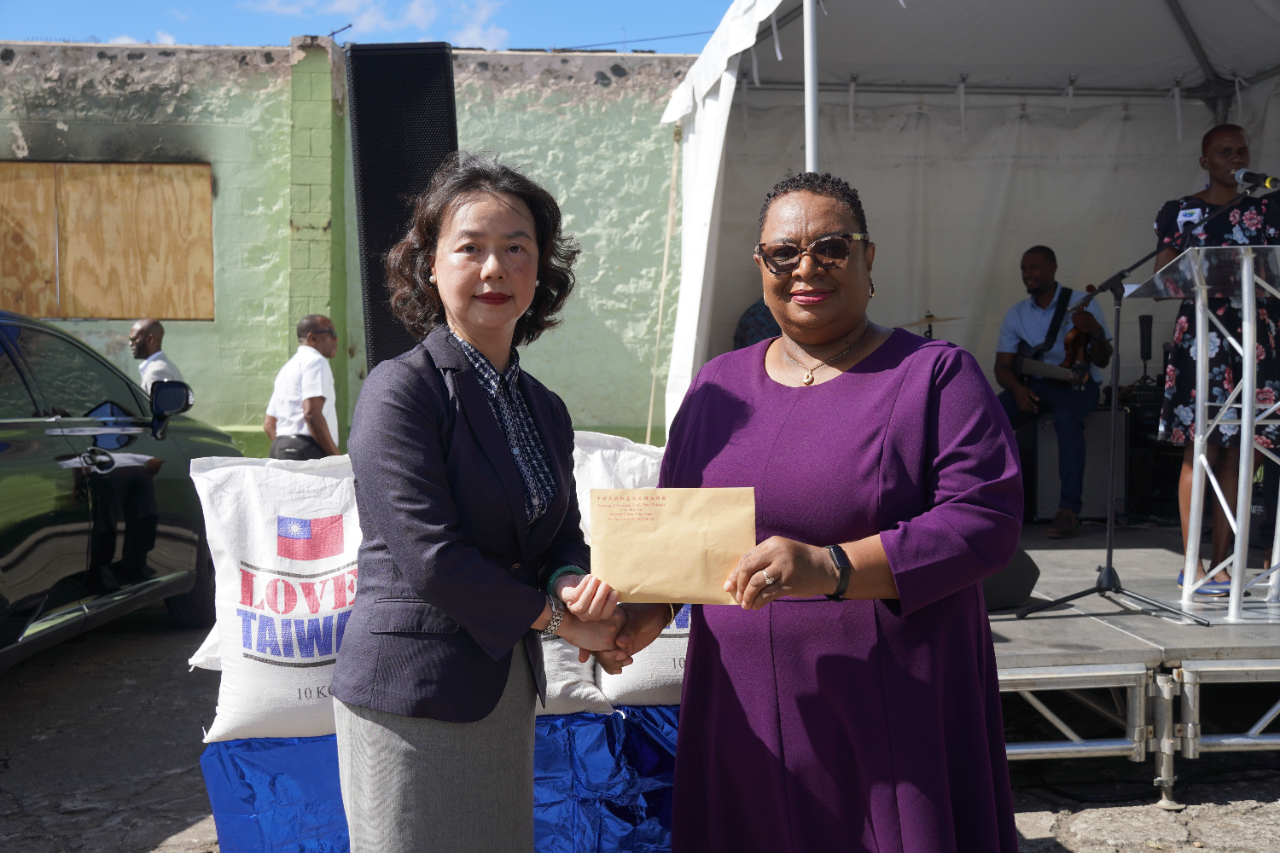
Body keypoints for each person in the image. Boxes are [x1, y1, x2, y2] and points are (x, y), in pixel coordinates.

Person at [604, 172, 1023, 852]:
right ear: (760, 265)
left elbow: (984, 520)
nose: (806, 268)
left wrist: (831, 566)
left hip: (886, 711)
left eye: (831, 247)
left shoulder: (934, 375)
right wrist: (641, 614)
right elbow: (678, 533)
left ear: (868, 257)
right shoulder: (716, 386)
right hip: (742, 714)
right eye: (784, 253)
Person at [329, 152, 624, 853]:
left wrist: (570, 581)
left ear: (541, 271)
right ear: (430, 265)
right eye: (471, 248)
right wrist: (563, 622)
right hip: (413, 696)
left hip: (502, 687)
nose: (495, 268)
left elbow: (560, 532)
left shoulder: (544, 407)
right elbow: (434, 561)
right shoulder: (401, 390)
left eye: (516, 248)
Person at [1155, 123, 1280, 593]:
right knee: (1202, 445)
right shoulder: (1182, 212)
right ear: (1205, 162)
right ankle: (1192, 565)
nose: (1235, 158)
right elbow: (1163, 277)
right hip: (1205, 338)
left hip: (1254, 336)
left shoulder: (1266, 209)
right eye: (1224, 152)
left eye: (1241, 151)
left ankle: (1223, 562)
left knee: (1239, 450)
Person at [994, 246, 1112, 538]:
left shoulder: (1083, 303)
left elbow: (1102, 359)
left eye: (1034, 267)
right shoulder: (1017, 314)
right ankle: (994, 504)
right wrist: (1017, 389)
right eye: (1024, 269)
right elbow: (1002, 367)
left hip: (1078, 386)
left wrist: (1096, 332)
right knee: (989, 421)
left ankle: (1068, 510)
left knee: (1067, 421)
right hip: (1035, 386)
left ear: (1053, 268)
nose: (1028, 274)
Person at [263, 315, 341, 460]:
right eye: (331, 333)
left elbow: (269, 424)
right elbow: (311, 413)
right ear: (312, 338)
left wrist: (287, 447)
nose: (336, 339)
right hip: (306, 449)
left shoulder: (287, 368)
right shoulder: (316, 362)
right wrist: (336, 458)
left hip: (279, 448)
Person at [129, 319, 183, 393]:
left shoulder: (157, 372)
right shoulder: (166, 366)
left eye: (134, 339)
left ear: (150, 339)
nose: (130, 344)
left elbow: (161, 400)